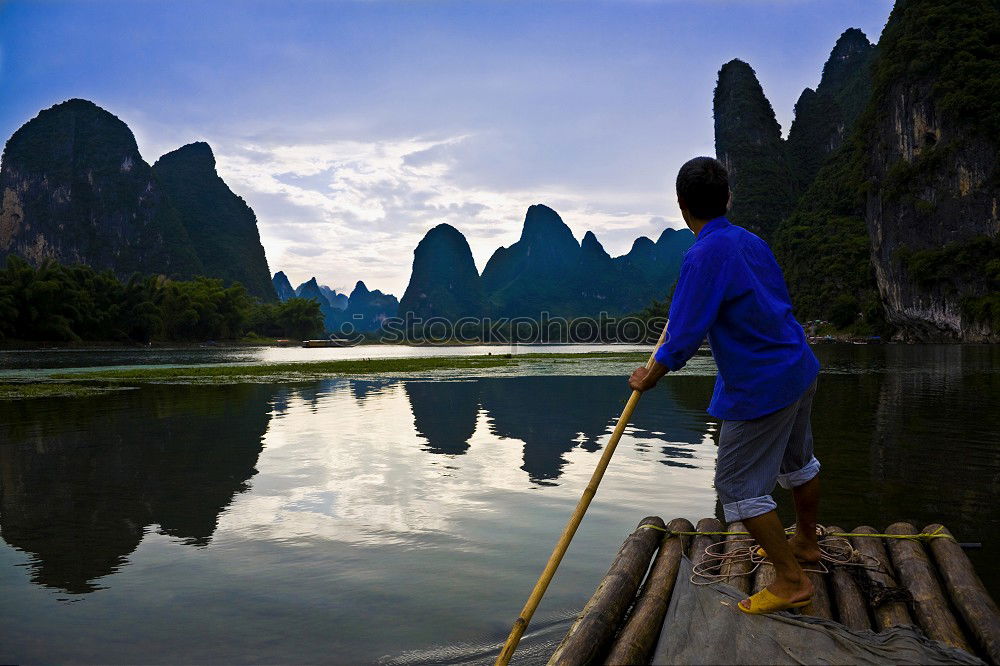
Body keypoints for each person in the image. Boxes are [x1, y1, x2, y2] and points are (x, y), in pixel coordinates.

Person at [628, 156, 821, 614]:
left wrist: (648, 375)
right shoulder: (751, 242)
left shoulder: (703, 254)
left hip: (761, 384)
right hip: (798, 366)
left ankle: (792, 581)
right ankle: (806, 544)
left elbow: (685, 335)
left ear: (681, 205)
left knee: (736, 485)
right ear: (727, 198)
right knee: (799, 462)